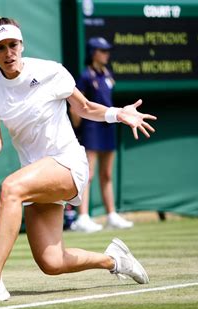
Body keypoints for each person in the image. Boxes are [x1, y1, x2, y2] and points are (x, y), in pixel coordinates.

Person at [0, 16, 156, 305]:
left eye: (13, 44)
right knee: (52, 262)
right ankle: (114, 260)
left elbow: (85, 107)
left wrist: (117, 113)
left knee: (11, 188)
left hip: (67, 163)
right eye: (0, 48)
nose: (8, 52)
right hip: (37, 175)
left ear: (21, 44)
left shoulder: (50, 72)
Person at [69, 37, 133, 233]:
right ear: (93, 53)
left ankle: (111, 215)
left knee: (106, 174)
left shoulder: (107, 74)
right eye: (102, 50)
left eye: (107, 51)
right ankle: (83, 217)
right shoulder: (85, 76)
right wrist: (79, 129)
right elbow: (75, 108)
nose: (106, 54)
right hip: (90, 129)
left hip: (108, 127)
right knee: (87, 174)